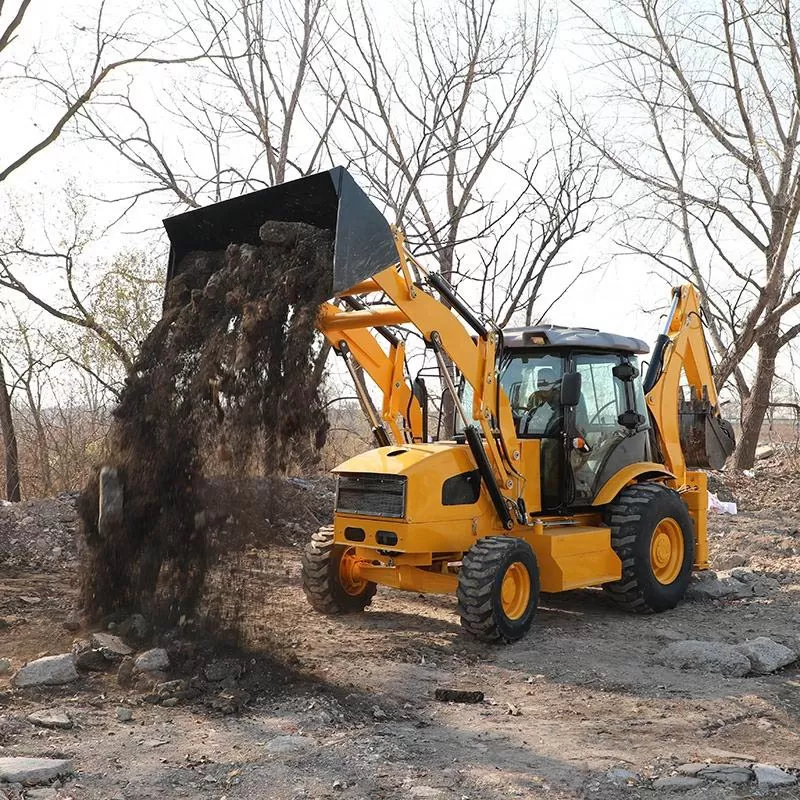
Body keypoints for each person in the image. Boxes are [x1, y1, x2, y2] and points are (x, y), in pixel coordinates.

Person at [520, 367, 562, 436]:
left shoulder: (563, 397)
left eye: (547, 380)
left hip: (555, 436)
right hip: (533, 435)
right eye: (540, 380)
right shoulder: (534, 397)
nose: (544, 382)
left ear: (554, 382)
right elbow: (528, 415)